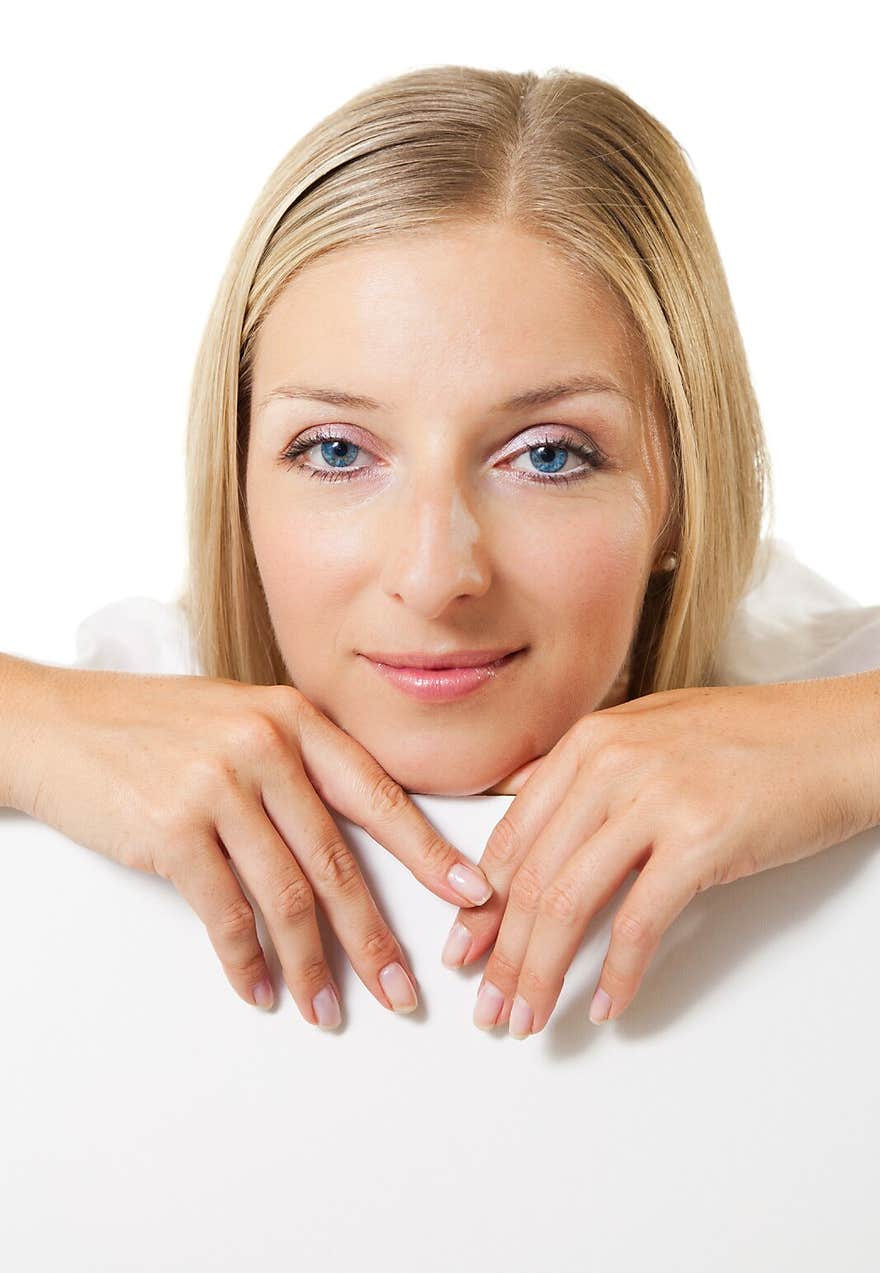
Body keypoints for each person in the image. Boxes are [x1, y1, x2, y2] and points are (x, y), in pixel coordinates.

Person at [1, 64, 878, 1042]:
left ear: (680, 491)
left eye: (547, 455)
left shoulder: (819, 705)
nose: (433, 575)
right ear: (235, 478)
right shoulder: (127, 709)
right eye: (335, 451)